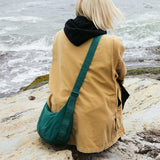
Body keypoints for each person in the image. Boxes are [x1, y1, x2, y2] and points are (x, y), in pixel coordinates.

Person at [47, 0, 126, 153]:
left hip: (61, 120)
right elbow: (121, 77)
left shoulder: (58, 36)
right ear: (105, 11)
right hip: (93, 132)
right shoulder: (113, 43)